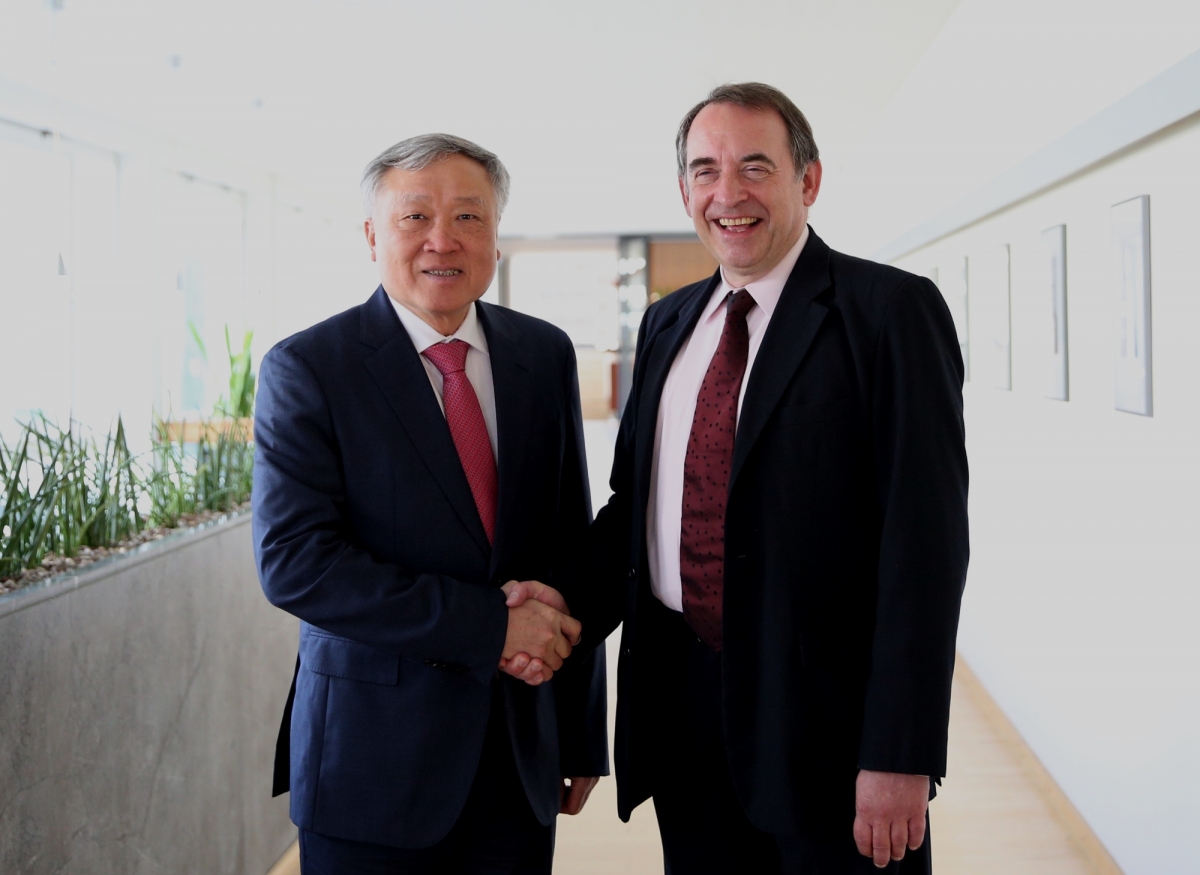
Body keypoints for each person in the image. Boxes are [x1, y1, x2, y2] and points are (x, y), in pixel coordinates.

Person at [513, 82, 969, 873]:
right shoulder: (668, 321)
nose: (729, 193)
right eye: (705, 170)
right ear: (684, 190)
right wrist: (551, 606)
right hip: (683, 708)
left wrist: (901, 749)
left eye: (755, 166)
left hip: (828, 723)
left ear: (808, 181)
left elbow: (925, 546)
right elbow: (635, 510)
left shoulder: (889, 312)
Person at [253, 133, 607, 875]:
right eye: (415, 217)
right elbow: (297, 565)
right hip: (371, 761)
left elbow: (568, 547)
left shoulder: (542, 355)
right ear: (371, 235)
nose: (442, 240)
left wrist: (578, 733)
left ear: (496, 238)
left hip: (516, 755)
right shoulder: (309, 367)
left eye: (469, 217)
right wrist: (492, 625)